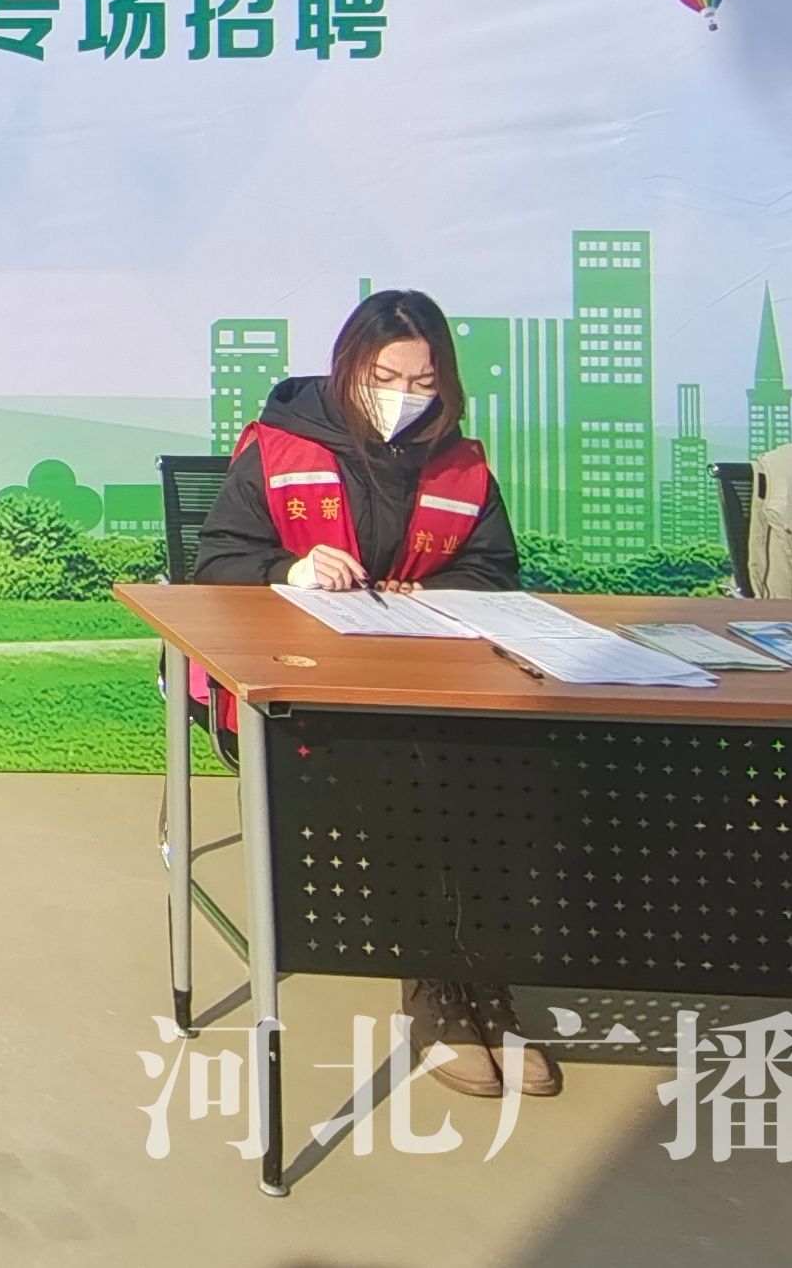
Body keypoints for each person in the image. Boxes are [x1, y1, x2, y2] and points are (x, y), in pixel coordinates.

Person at [191, 289, 551, 1100]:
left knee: (508, 763)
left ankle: (487, 978)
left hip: (424, 680)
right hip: (306, 695)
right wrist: (293, 569)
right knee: (411, 774)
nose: (403, 397)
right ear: (348, 367)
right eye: (385, 378)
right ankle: (434, 986)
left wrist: (432, 593)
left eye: (423, 382)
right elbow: (215, 565)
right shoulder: (280, 447)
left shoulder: (460, 465)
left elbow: (493, 571)